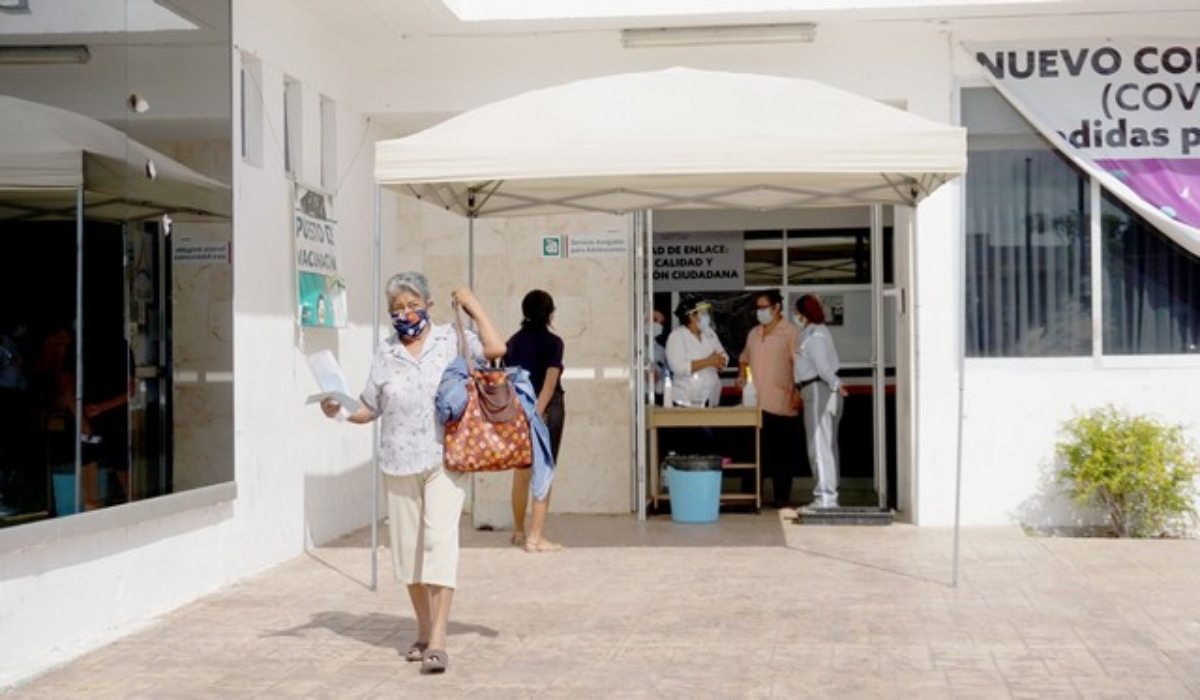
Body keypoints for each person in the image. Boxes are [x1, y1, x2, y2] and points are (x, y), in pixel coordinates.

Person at [319, 272, 505, 675]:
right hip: (397, 462)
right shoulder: (385, 352)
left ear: (429, 305)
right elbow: (370, 407)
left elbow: (495, 348)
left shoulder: (449, 339)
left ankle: (438, 640)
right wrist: (340, 410)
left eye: (412, 305)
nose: (405, 314)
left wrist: (473, 305)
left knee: (439, 543)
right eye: (397, 309)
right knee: (408, 555)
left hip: (445, 460)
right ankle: (423, 631)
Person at [504, 290, 564, 553]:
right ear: (550, 313)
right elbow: (549, 385)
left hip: (518, 411)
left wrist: (523, 415)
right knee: (545, 471)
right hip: (545, 412)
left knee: (521, 473)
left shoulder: (512, 342)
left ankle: (519, 531)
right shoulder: (554, 343)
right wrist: (537, 415)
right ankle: (535, 538)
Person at [737, 290, 802, 509]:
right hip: (754, 404)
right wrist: (740, 375)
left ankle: (781, 498)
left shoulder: (791, 333)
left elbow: (799, 366)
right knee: (753, 452)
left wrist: (797, 393)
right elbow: (744, 358)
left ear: (776, 308)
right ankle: (750, 498)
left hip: (781, 402)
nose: (760, 312)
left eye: (764, 308)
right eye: (758, 308)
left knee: (781, 455)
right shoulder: (754, 333)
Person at [793, 294, 848, 509]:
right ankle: (830, 494)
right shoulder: (814, 333)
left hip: (818, 390)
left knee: (818, 446)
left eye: (796, 312)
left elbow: (823, 368)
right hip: (820, 390)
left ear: (803, 314)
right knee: (827, 445)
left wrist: (835, 385)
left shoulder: (815, 336)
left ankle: (825, 497)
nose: (795, 316)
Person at [665, 300, 727, 408]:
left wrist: (720, 362)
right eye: (703, 313)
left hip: (711, 398)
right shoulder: (677, 336)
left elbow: (724, 356)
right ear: (692, 316)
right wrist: (709, 361)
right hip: (685, 400)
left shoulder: (709, 333)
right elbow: (678, 367)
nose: (707, 316)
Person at [648, 308, 669, 405]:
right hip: (640, 392)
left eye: (661, 323)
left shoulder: (662, 345)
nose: (658, 325)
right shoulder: (636, 341)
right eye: (655, 321)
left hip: (658, 391)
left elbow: (662, 363)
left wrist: (657, 371)